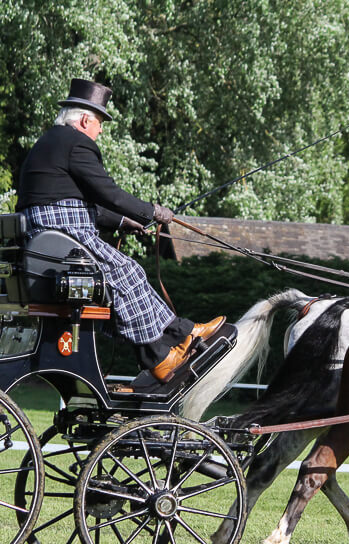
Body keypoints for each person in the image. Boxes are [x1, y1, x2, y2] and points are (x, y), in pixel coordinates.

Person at [16, 78, 225, 385]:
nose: (100, 130)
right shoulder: (76, 143)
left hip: (48, 233)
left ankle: (179, 338)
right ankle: (169, 351)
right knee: (127, 272)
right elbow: (108, 193)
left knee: (126, 275)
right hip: (62, 234)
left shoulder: (50, 142)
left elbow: (74, 199)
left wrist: (123, 222)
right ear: (85, 120)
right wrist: (152, 211)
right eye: (100, 122)